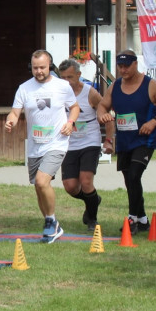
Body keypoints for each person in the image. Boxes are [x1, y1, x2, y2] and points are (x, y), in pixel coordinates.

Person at [96, 50, 156, 235]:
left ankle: (132, 218)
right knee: (129, 179)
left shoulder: (151, 85)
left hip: (145, 139)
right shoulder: (115, 86)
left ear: (135, 64)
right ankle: (142, 219)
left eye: (127, 66)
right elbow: (102, 105)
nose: (123, 70)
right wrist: (103, 115)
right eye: (120, 66)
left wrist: (154, 121)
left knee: (134, 175)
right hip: (125, 139)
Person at [4, 51, 79, 242]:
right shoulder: (24, 88)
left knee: (41, 181)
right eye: (35, 68)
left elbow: (75, 107)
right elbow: (15, 111)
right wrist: (11, 121)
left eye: (42, 68)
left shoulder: (62, 86)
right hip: (35, 144)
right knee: (38, 187)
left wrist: (70, 122)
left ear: (50, 66)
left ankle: (51, 221)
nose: (38, 71)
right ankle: (50, 222)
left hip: (57, 142)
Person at [57, 58, 103, 232]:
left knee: (85, 181)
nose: (67, 82)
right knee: (70, 186)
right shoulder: (59, 94)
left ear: (79, 75)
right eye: (63, 78)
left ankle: (92, 219)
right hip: (69, 144)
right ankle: (93, 199)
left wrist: (109, 139)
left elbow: (105, 109)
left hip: (90, 141)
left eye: (70, 77)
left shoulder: (89, 93)